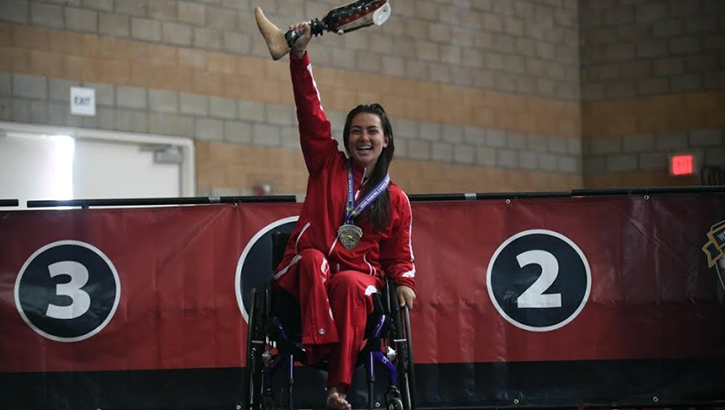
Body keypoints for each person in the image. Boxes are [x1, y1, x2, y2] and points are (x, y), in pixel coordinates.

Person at [272, 22, 417, 410]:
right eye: (355, 131)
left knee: (352, 283)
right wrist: (299, 57)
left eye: (372, 131)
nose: (363, 138)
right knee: (316, 259)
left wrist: (403, 282)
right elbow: (310, 112)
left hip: (354, 283)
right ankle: (322, 347)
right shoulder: (326, 165)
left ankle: (337, 390)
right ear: (346, 137)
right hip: (305, 273)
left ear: (386, 140)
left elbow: (398, 254)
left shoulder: (395, 199)